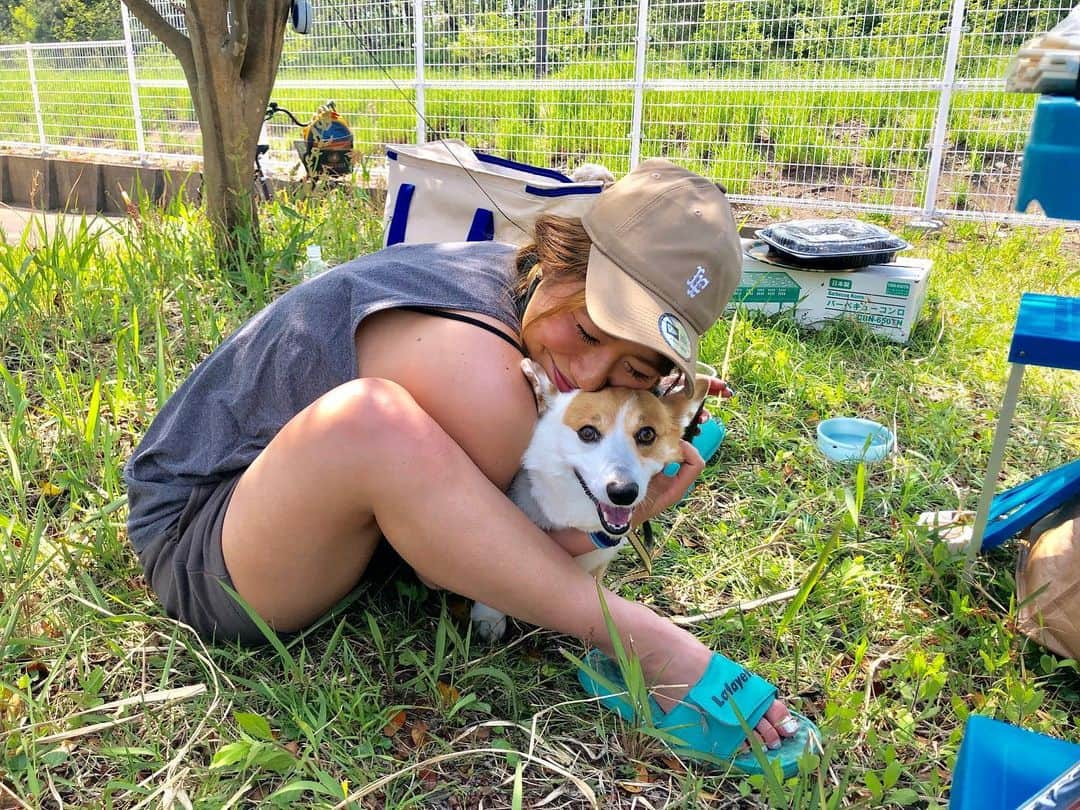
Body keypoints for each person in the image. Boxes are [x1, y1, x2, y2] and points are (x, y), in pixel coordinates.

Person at [124, 158, 814, 772]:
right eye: (584, 332)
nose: (582, 375)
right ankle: (641, 639)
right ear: (560, 256)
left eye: (630, 368)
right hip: (206, 549)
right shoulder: (489, 387)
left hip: (294, 515)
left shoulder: (512, 280)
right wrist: (613, 516)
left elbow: (472, 525)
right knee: (373, 423)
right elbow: (448, 565)